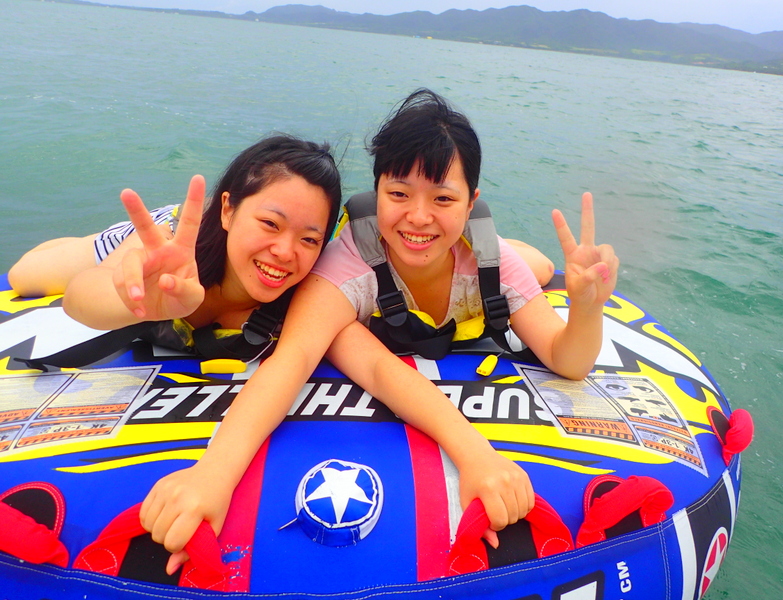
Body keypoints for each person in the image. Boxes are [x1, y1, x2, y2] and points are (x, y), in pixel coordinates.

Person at [133, 89, 618, 571]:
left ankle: (533, 258)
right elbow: (294, 361)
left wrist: (586, 307)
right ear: (377, 190)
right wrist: (213, 475)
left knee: (535, 267)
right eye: (399, 194)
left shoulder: (494, 264)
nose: (419, 216)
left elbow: (569, 360)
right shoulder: (344, 266)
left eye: (443, 198)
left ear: (471, 201)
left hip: (490, 265)